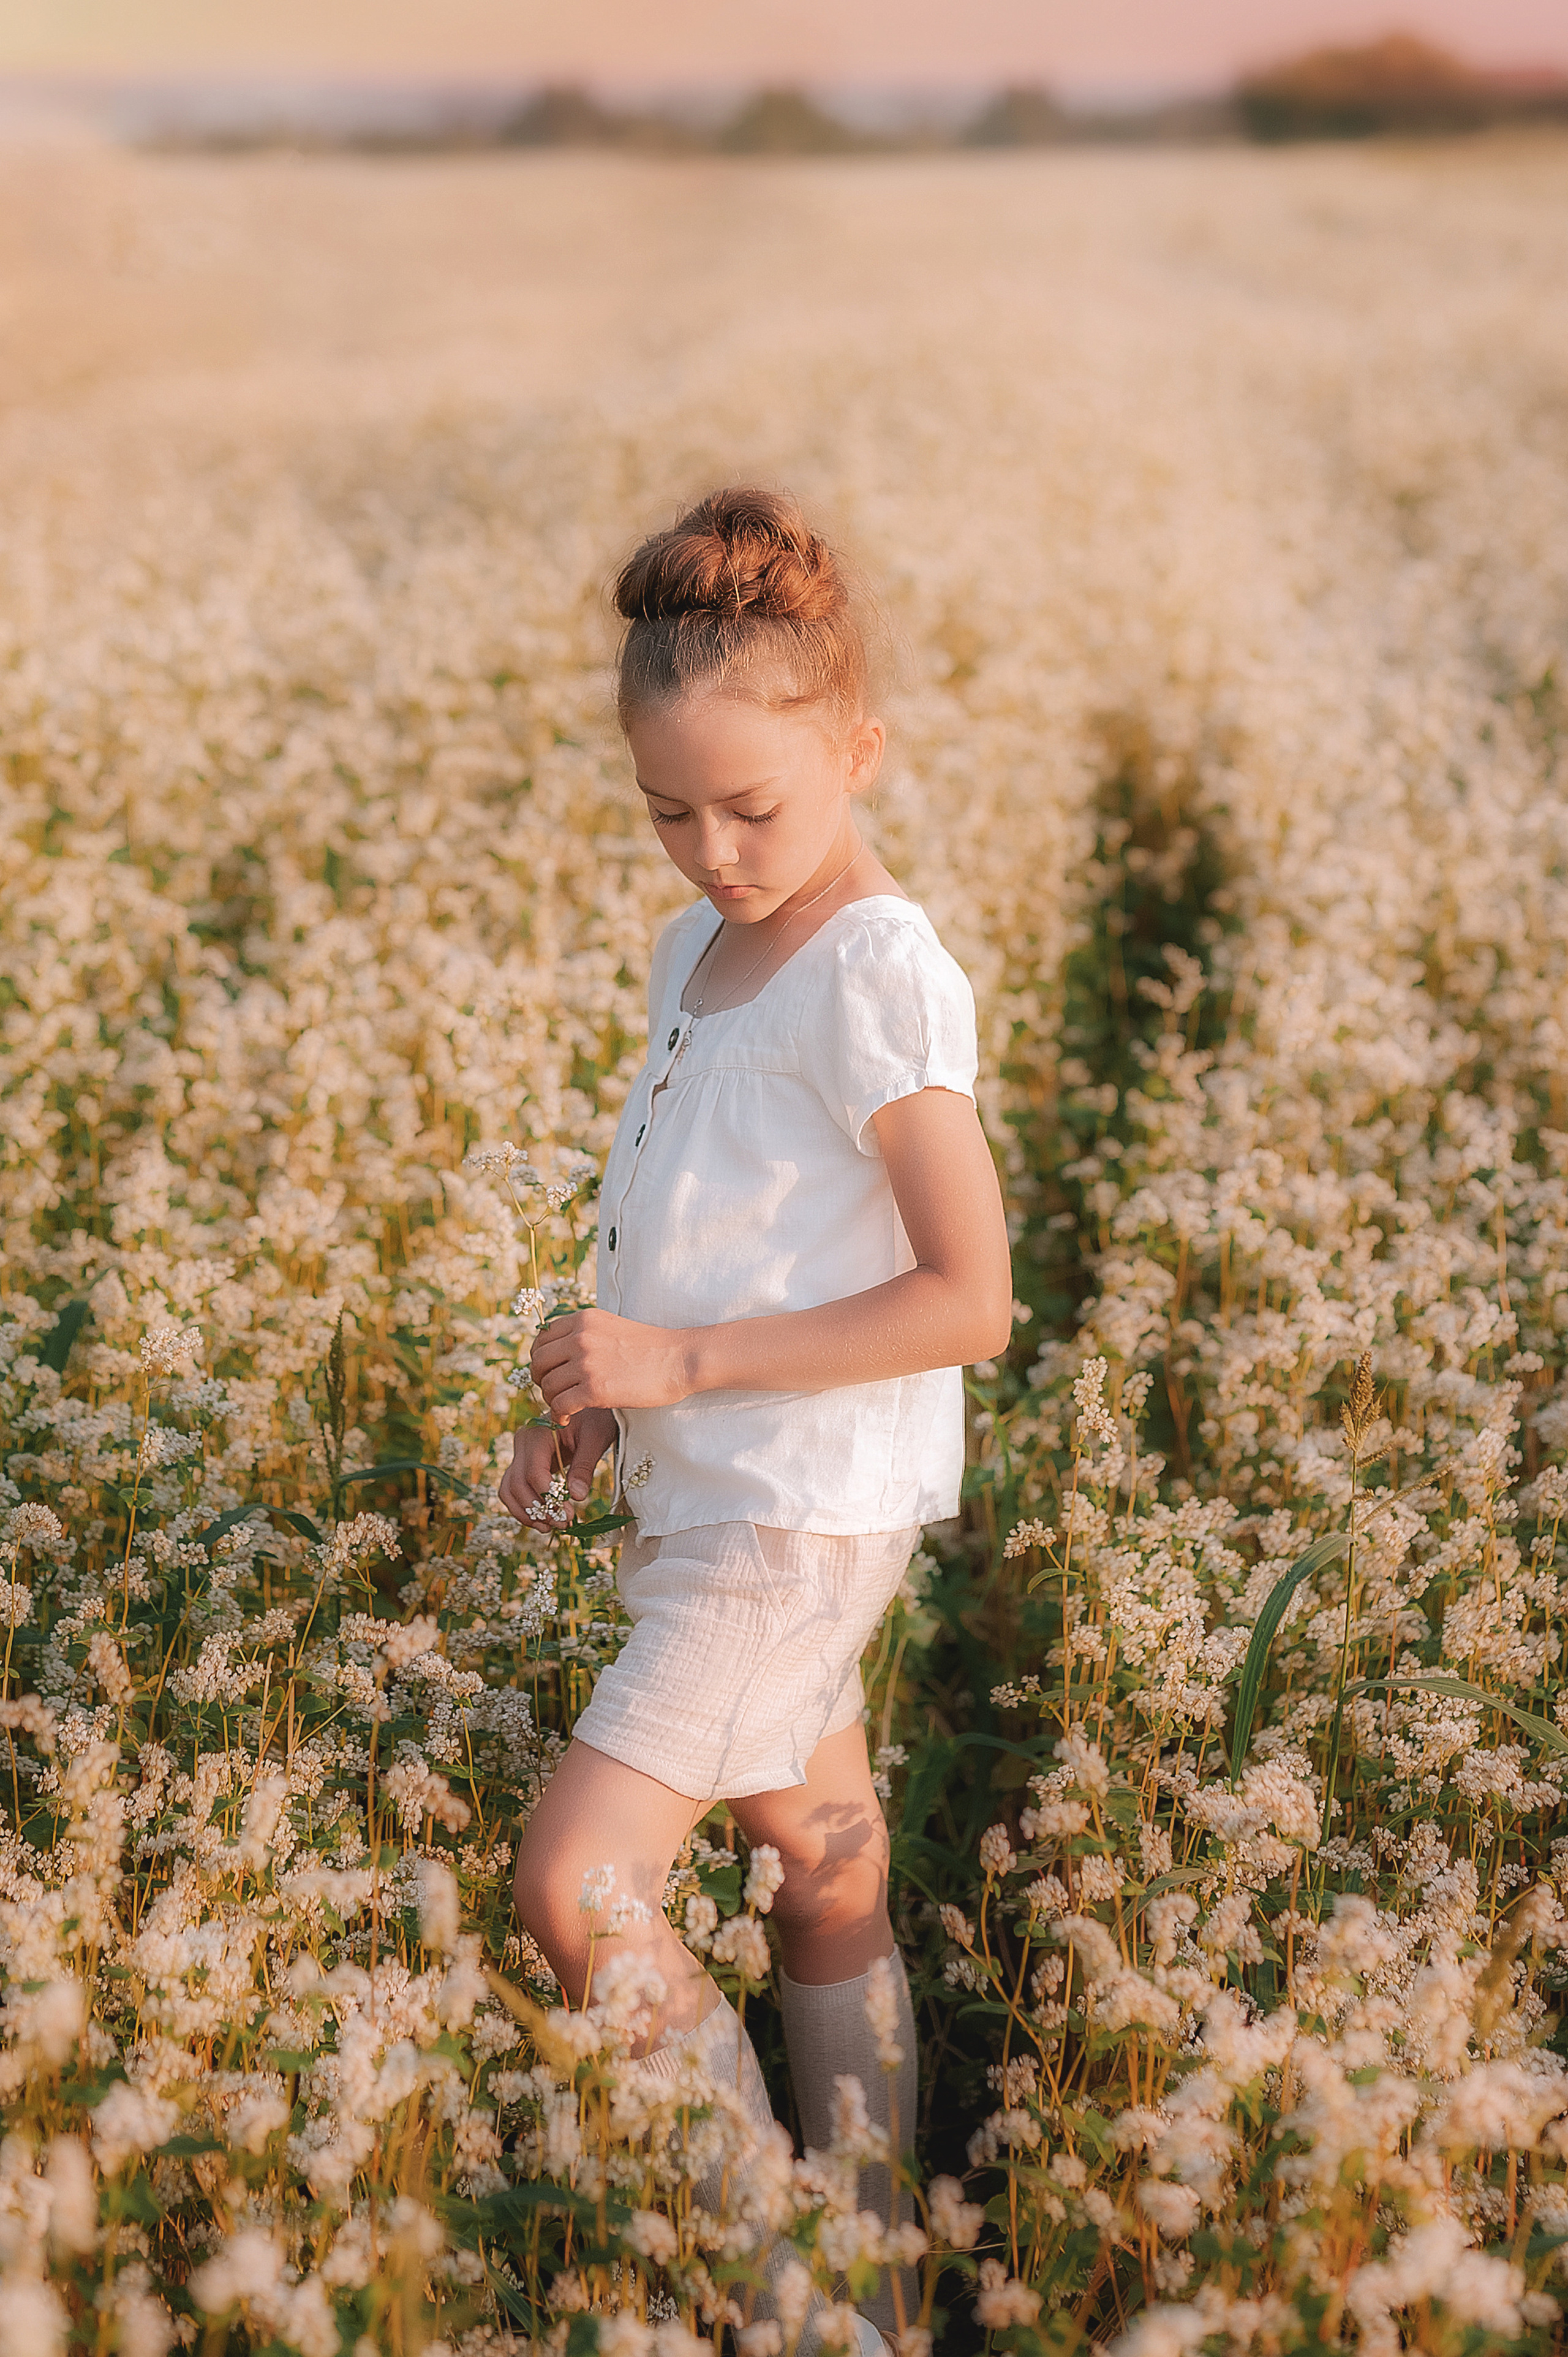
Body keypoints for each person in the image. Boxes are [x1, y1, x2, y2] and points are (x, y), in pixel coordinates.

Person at [500, 485, 1012, 2343]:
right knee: (822, 1864)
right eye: (667, 810)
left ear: (857, 748)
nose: (711, 850)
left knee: (579, 1890)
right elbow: (701, 1217)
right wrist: (596, 1386)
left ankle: (809, 2310)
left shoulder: (878, 968)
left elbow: (972, 1295)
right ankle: (885, 2258)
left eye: (755, 806)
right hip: (717, 1486)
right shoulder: (696, 952)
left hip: (790, 1515)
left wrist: (681, 1372)